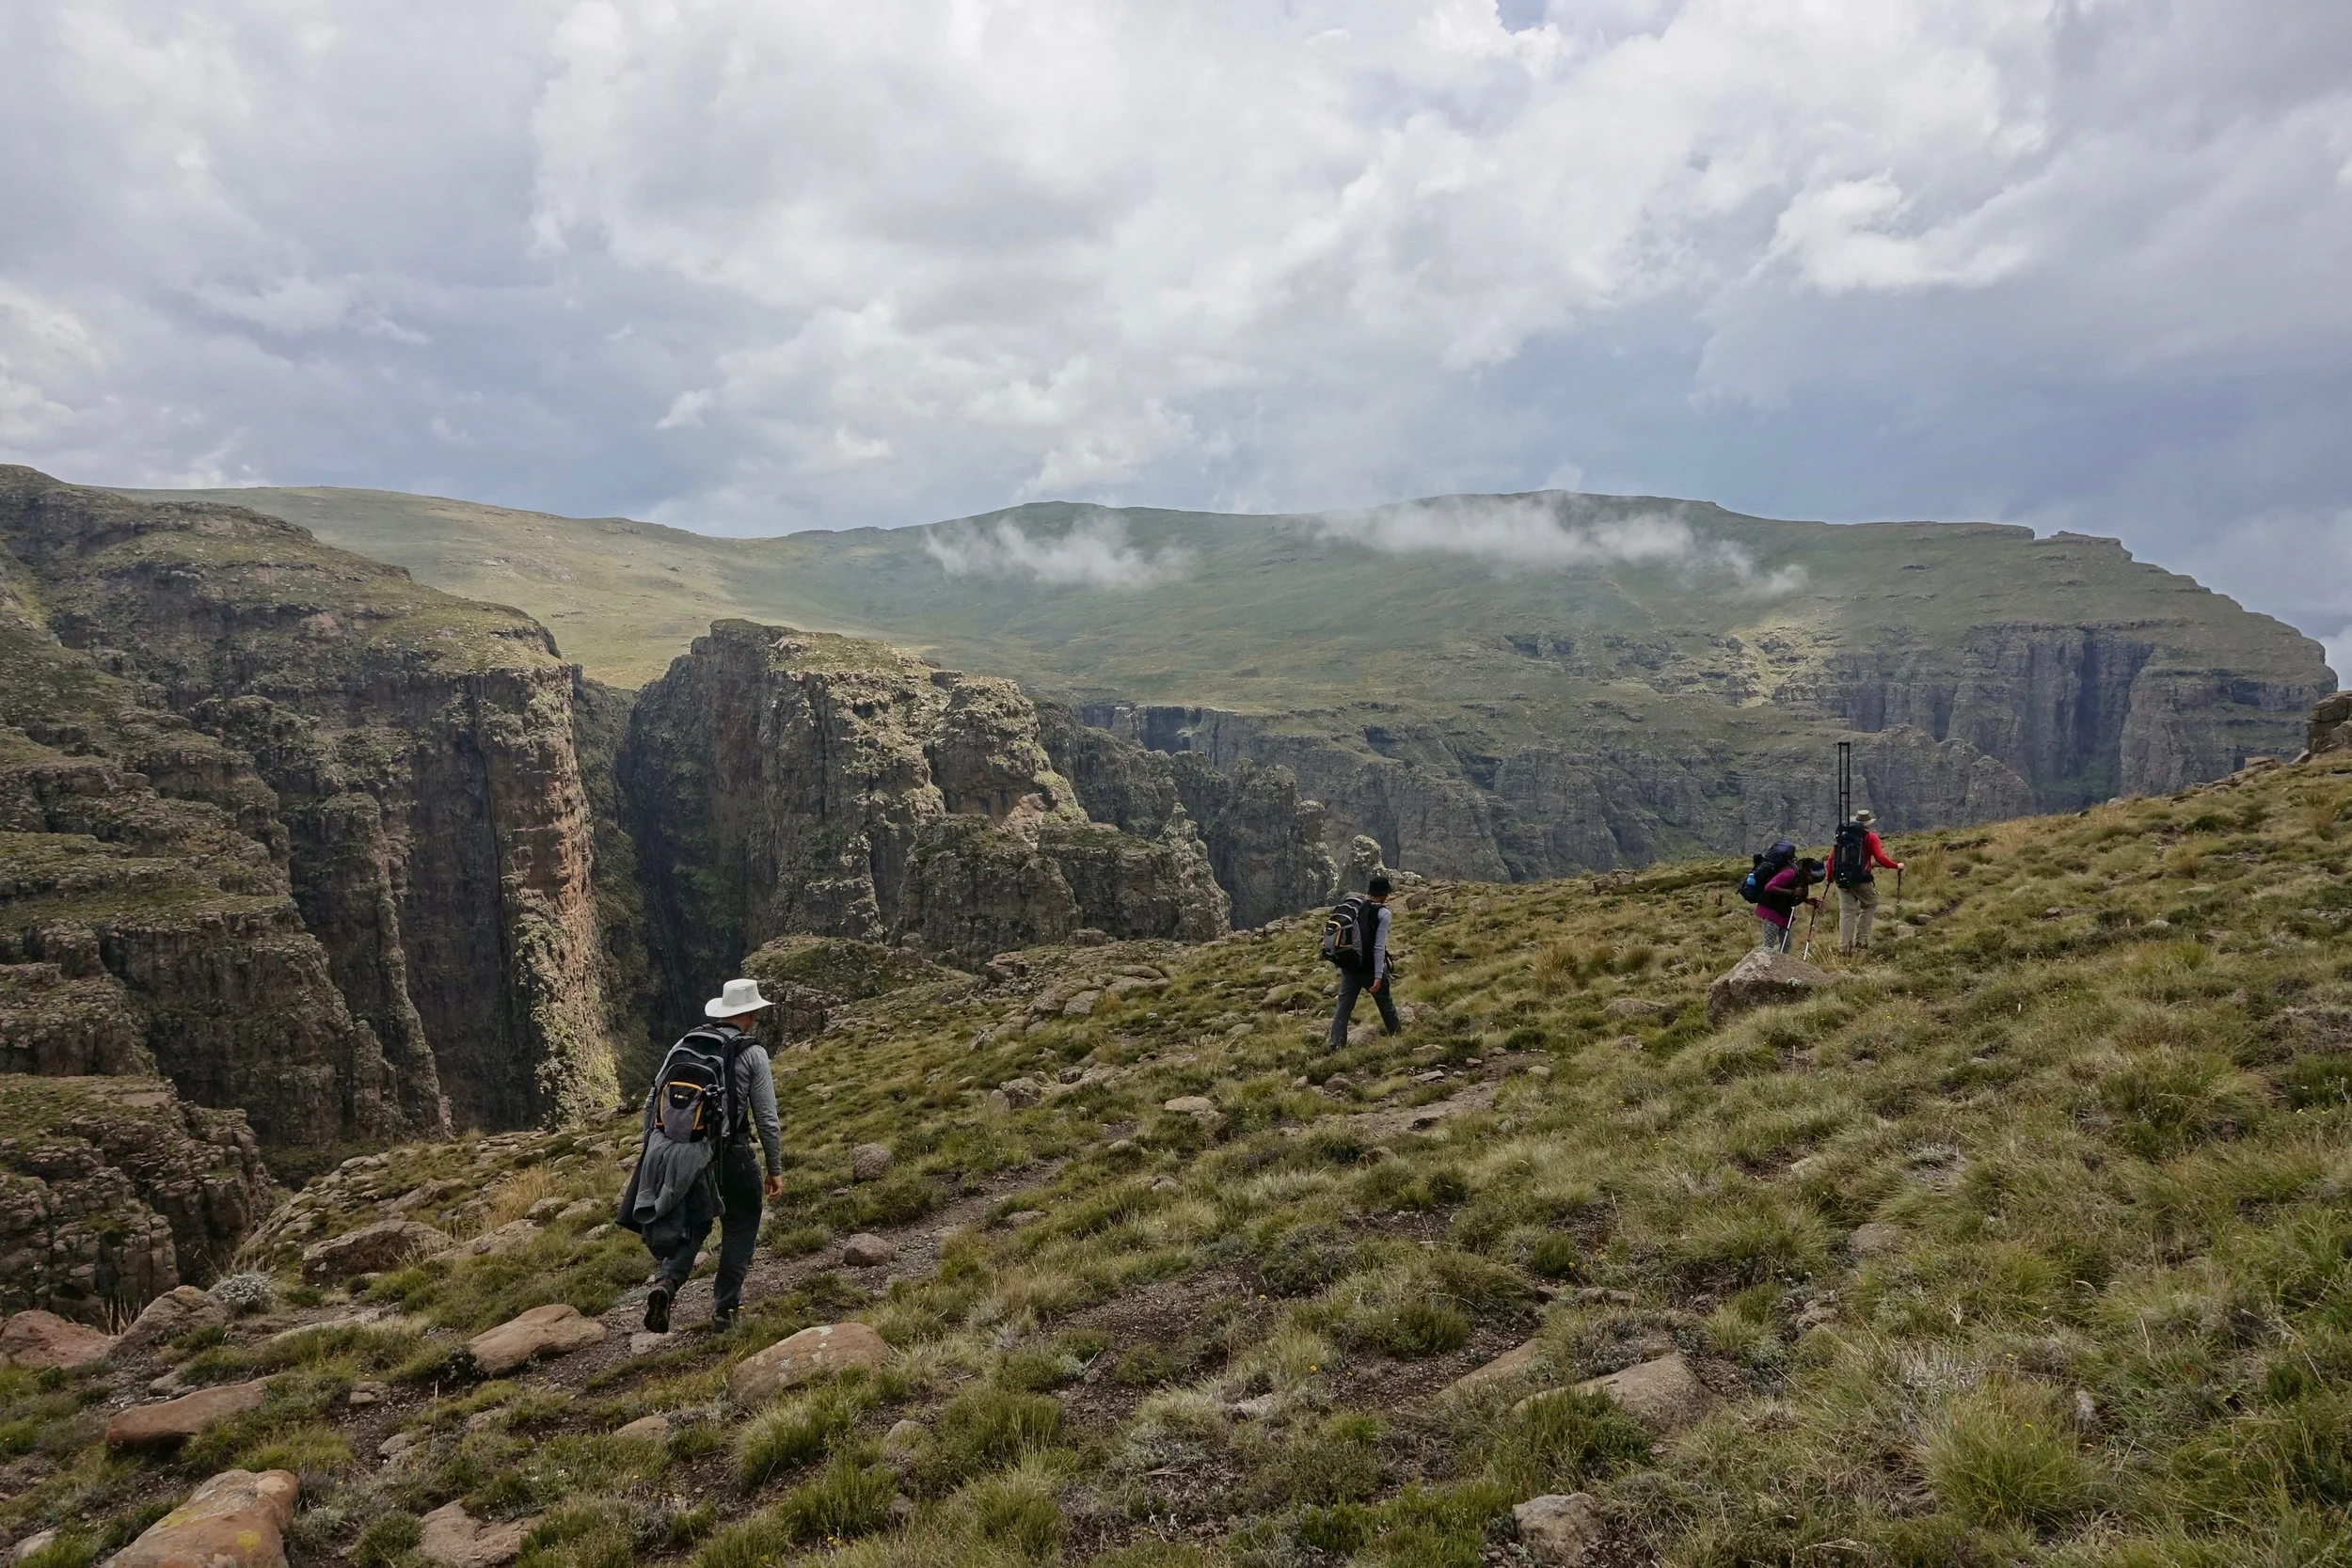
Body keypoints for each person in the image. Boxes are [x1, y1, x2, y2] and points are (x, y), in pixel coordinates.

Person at [625, 977, 785, 1333]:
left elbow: (653, 1102)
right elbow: (768, 1119)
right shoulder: (752, 1053)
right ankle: (725, 1313)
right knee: (741, 1225)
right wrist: (775, 1169)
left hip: (684, 1155)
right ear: (752, 1012)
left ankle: (666, 1282)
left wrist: (656, 1151)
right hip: (731, 1155)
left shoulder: (684, 1043)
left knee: (694, 1223)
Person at [1327, 874, 1400, 1049]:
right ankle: (1397, 1037)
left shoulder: (1354, 906)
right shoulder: (1383, 913)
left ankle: (1336, 1046)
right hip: (1368, 967)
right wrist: (1377, 976)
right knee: (1385, 1001)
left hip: (1350, 964)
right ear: (1384, 895)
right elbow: (1378, 947)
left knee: (1343, 1007)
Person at [1832, 808, 1903, 953]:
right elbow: (1880, 858)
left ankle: (1844, 948)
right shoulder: (1871, 837)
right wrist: (1896, 866)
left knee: (1846, 913)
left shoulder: (1843, 835)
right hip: (1861, 879)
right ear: (1868, 823)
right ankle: (1862, 940)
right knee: (1870, 903)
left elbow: (1832, 858)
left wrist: (1829, 877)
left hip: (1841, 880)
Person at [1754, 856, 1822, 953]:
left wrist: (1806, 900)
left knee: (1786, 944)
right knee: (1768, 946)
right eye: (1814, 879)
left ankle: (1779, 965)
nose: (1813, 883)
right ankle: (1761, 964)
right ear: (1807, 872)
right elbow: (1769, 887)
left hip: (1784, 912)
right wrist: (1792, 892)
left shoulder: (1801, 877)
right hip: (1770, 910)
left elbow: (1793, 891)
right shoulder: (1790, 873)